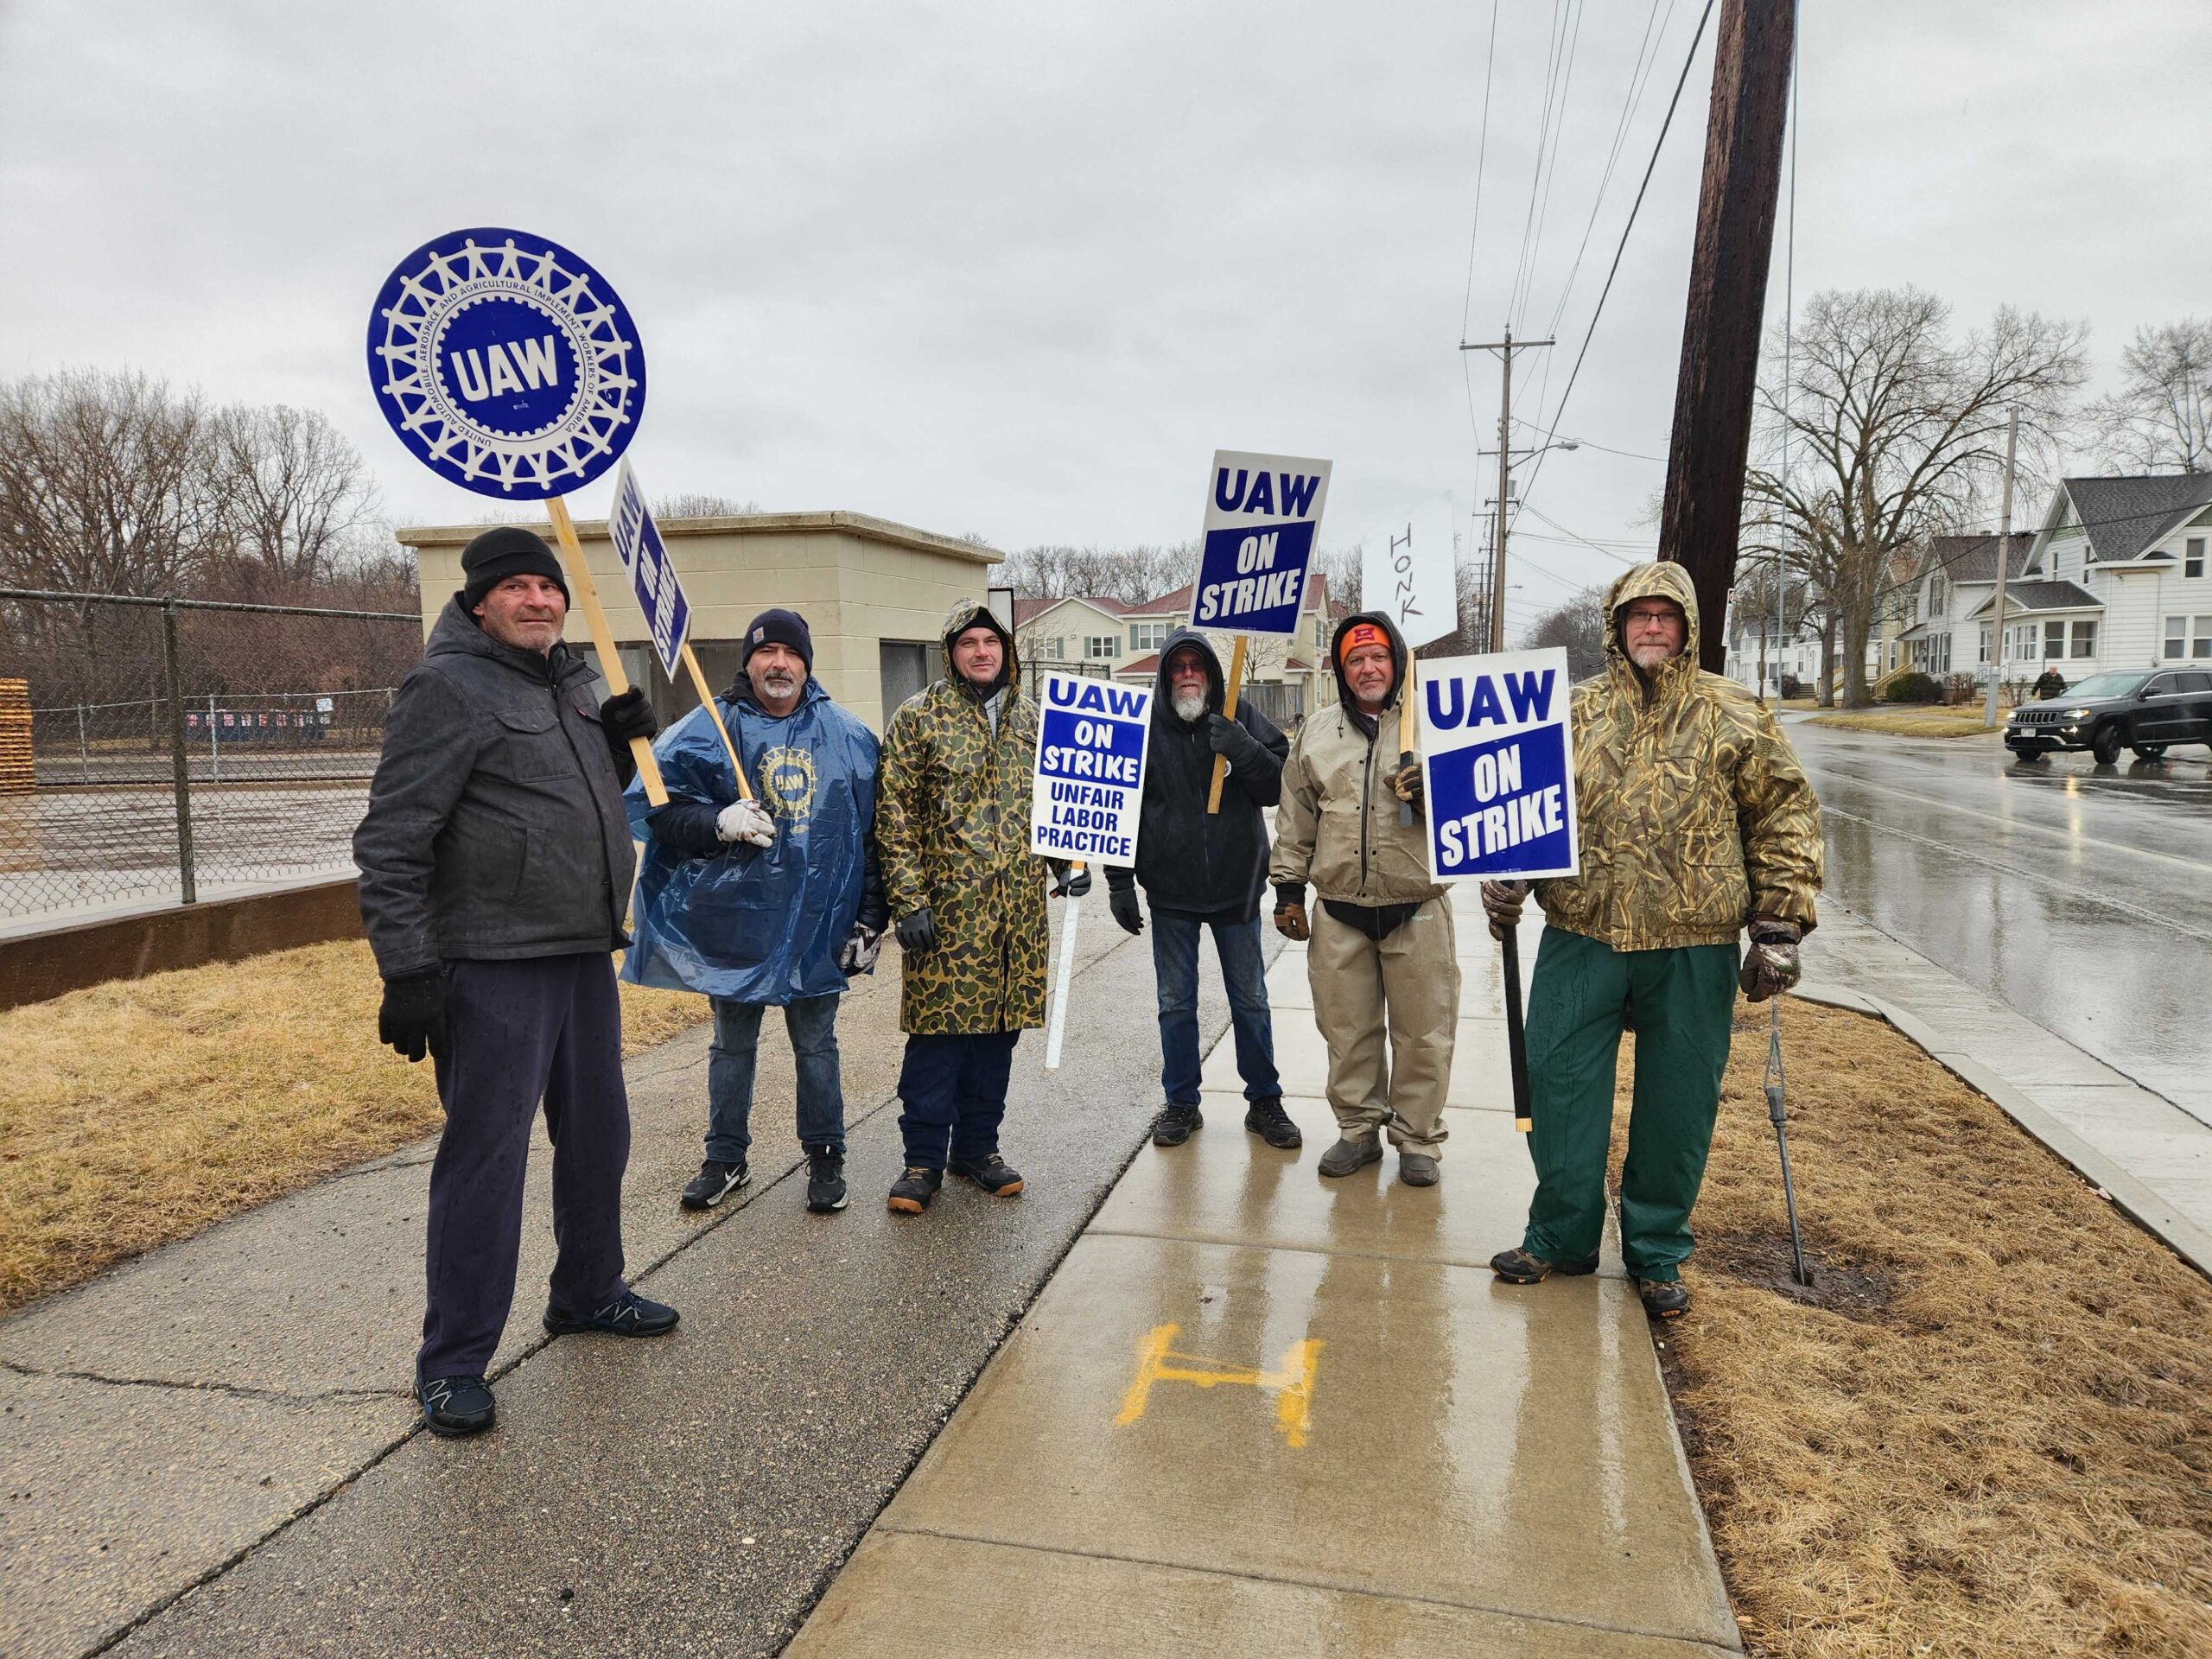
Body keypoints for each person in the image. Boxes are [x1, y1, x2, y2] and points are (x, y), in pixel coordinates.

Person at [354, 525, 678, 1440]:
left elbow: (560, 800)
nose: (540, 601)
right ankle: (453, 1360)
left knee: (597, 1138)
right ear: (481, 600)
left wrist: (617, 752)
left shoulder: (571, 677)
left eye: (551, 586)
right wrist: (408, 967)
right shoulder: (445, 687)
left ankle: (587, 1291)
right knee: (487, 1163)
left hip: (580, 951)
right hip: (492, 963)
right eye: (520, 588)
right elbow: (391, 838)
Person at [1482, 562, 1821, 1320]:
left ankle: (1658, 1249)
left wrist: (1779, 923)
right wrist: (1508, 877)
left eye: (1668, 615)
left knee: (1678, 1106)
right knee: (1561, 1090)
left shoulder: (1737, 713)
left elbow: (1785, 815)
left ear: (1690, 626)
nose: (1653, 627)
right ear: (1616, 625)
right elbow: (1523, 806)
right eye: (1640, 615)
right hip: (1583, 934)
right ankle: (1561, 1235)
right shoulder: (1571, 711)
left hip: (1693, 943)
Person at [621, 608, 887, 1218]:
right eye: (766, 653)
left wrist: (871, 918)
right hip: (734, 923)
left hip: (819, 925)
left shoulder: (846, 736)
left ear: (806, 664)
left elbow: (873, 836)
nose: (779, 664)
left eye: (791, 654)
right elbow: (660, 810)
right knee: (731, 1046)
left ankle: (825, 1154)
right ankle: (725, 1156)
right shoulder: (709, 728)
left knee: (817, 1046)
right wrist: (717, 822)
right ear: (749, 662)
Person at [874, 598, 1087, 1214]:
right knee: (939, 1042)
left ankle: (977, 1150)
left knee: (998, 1038)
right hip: (947, 918)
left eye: (990, 643)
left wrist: (1070, 866)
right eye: (968, 644)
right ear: (952, 654)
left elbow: (1061, 806)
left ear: (1007, 652)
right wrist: (908, 900)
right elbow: (894, 816)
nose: (981, 652)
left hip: (1017, 916)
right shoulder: (919, 719)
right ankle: (921, 1161)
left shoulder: (1037, 720)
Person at [1269, 611, 1459, 1188]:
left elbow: (1481, 805)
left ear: (1397, 662)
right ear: (1341, 668)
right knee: (1346, 1030)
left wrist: (1438, 793)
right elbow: (1296, 814)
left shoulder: (1436, 725)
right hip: (1340, 911)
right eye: (1356, 659)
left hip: (1416, 906)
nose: (1368, 667)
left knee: (1424, 1032)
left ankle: (1419, 1138)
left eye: (1378, 656)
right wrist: (1287, 889)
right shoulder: (1317, 732)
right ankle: (1358, 1130)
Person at [1105, 630, 1299, 1151]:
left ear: (1212, 674)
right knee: (1175, 1003)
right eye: (1178, 667)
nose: (1188, 674)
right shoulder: (1143, 728)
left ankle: (1264, 1100)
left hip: (1237, 887)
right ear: (1166, 675)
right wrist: (1120, 882)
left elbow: (1278, 784)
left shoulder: (1241, 714)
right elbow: (1113, 807)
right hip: (1171, 891)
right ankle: (1182, 1103)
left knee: (1251, 1000)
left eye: (1197, 666)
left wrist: (1244, 748)